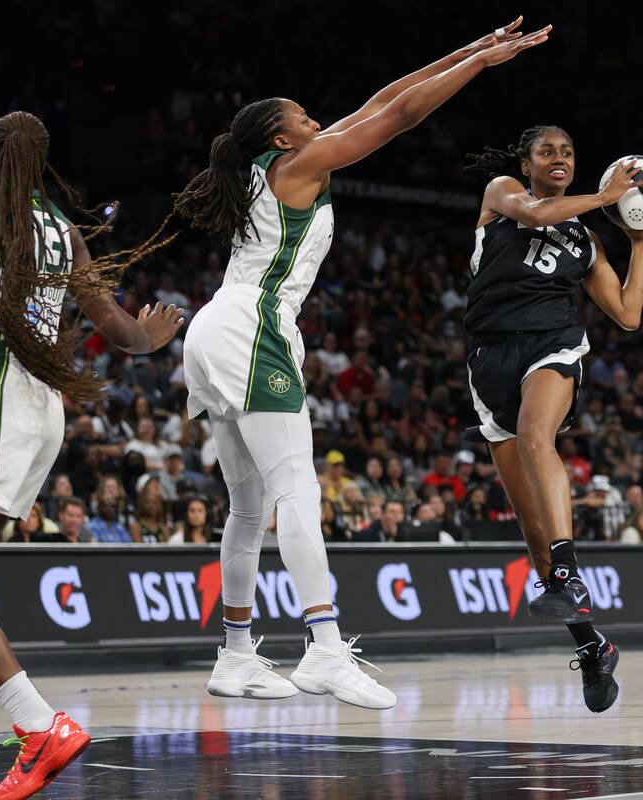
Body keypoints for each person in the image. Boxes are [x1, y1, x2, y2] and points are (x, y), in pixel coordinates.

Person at [175, 20, 551, 707]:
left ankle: (234, 655)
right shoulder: (298, 166)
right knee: (296, 493)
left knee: (248, 504)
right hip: (252, 326)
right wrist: (487, 66)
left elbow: (383, 99)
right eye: (305, 116)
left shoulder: (280, 162)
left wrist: (470, 48)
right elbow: (402, 115)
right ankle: (322, 646)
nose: (319, 120)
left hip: (215, 327)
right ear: (283, 138)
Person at [0, 111, 182, 799]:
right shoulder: (65, 234)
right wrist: (152, 336)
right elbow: (121, 332)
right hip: (42, 417)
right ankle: (40, 727)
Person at [463, 121, 643, 713]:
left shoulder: (588, 241)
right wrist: (605, 200)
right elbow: (537, 215)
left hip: (550, 342)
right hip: (487, 357)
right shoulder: (503, 195)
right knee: (532, 532)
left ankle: (571, 574)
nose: (560, 157)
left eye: (569, 151)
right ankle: (594, 645)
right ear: (524, 162)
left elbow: (627, 313)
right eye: (547, 150)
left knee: (534, 433)